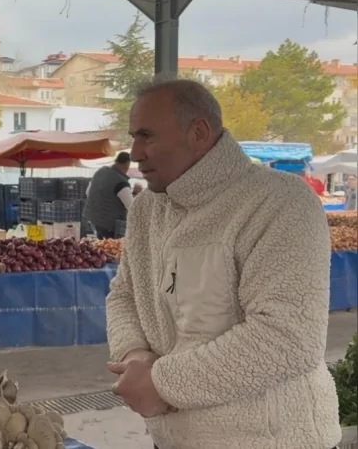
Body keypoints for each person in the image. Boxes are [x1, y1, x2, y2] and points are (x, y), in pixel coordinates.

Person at [105, 77, 339, 449]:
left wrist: (162, 384)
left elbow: (287, 338)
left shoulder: (280, 203)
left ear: (198, 132)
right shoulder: (147, 210)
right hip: (172, 438)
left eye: (147, 136)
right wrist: (134, 357)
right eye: (133, 136)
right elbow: (124, 295)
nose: (134, 153)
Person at [82, 151, 133, 239]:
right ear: (127, 165)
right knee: (109, 247)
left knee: (101, 244)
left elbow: (88, 192)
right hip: (109, 225)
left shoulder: (101, 171)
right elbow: (131, 206)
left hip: (93, 218)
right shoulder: (121, 182)